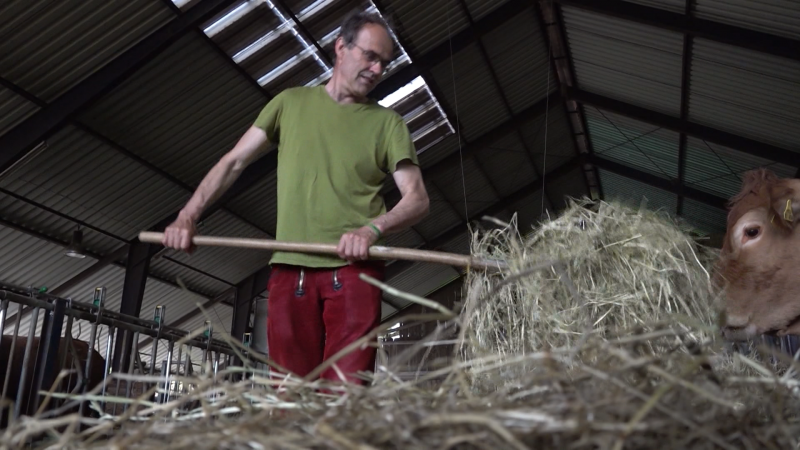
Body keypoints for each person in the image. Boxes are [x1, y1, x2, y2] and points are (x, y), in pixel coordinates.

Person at [161, 10, 430, 385]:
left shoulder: (388, 125)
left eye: (384, 62)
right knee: (288, 394)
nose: (377, 69)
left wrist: (372, 230)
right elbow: (234, 162)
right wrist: (188, 216)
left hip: (355, 273)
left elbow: (417, 199)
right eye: (370, 56)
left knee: (347, 397)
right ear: (341, 47)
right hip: (291, 268)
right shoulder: (288, 103)